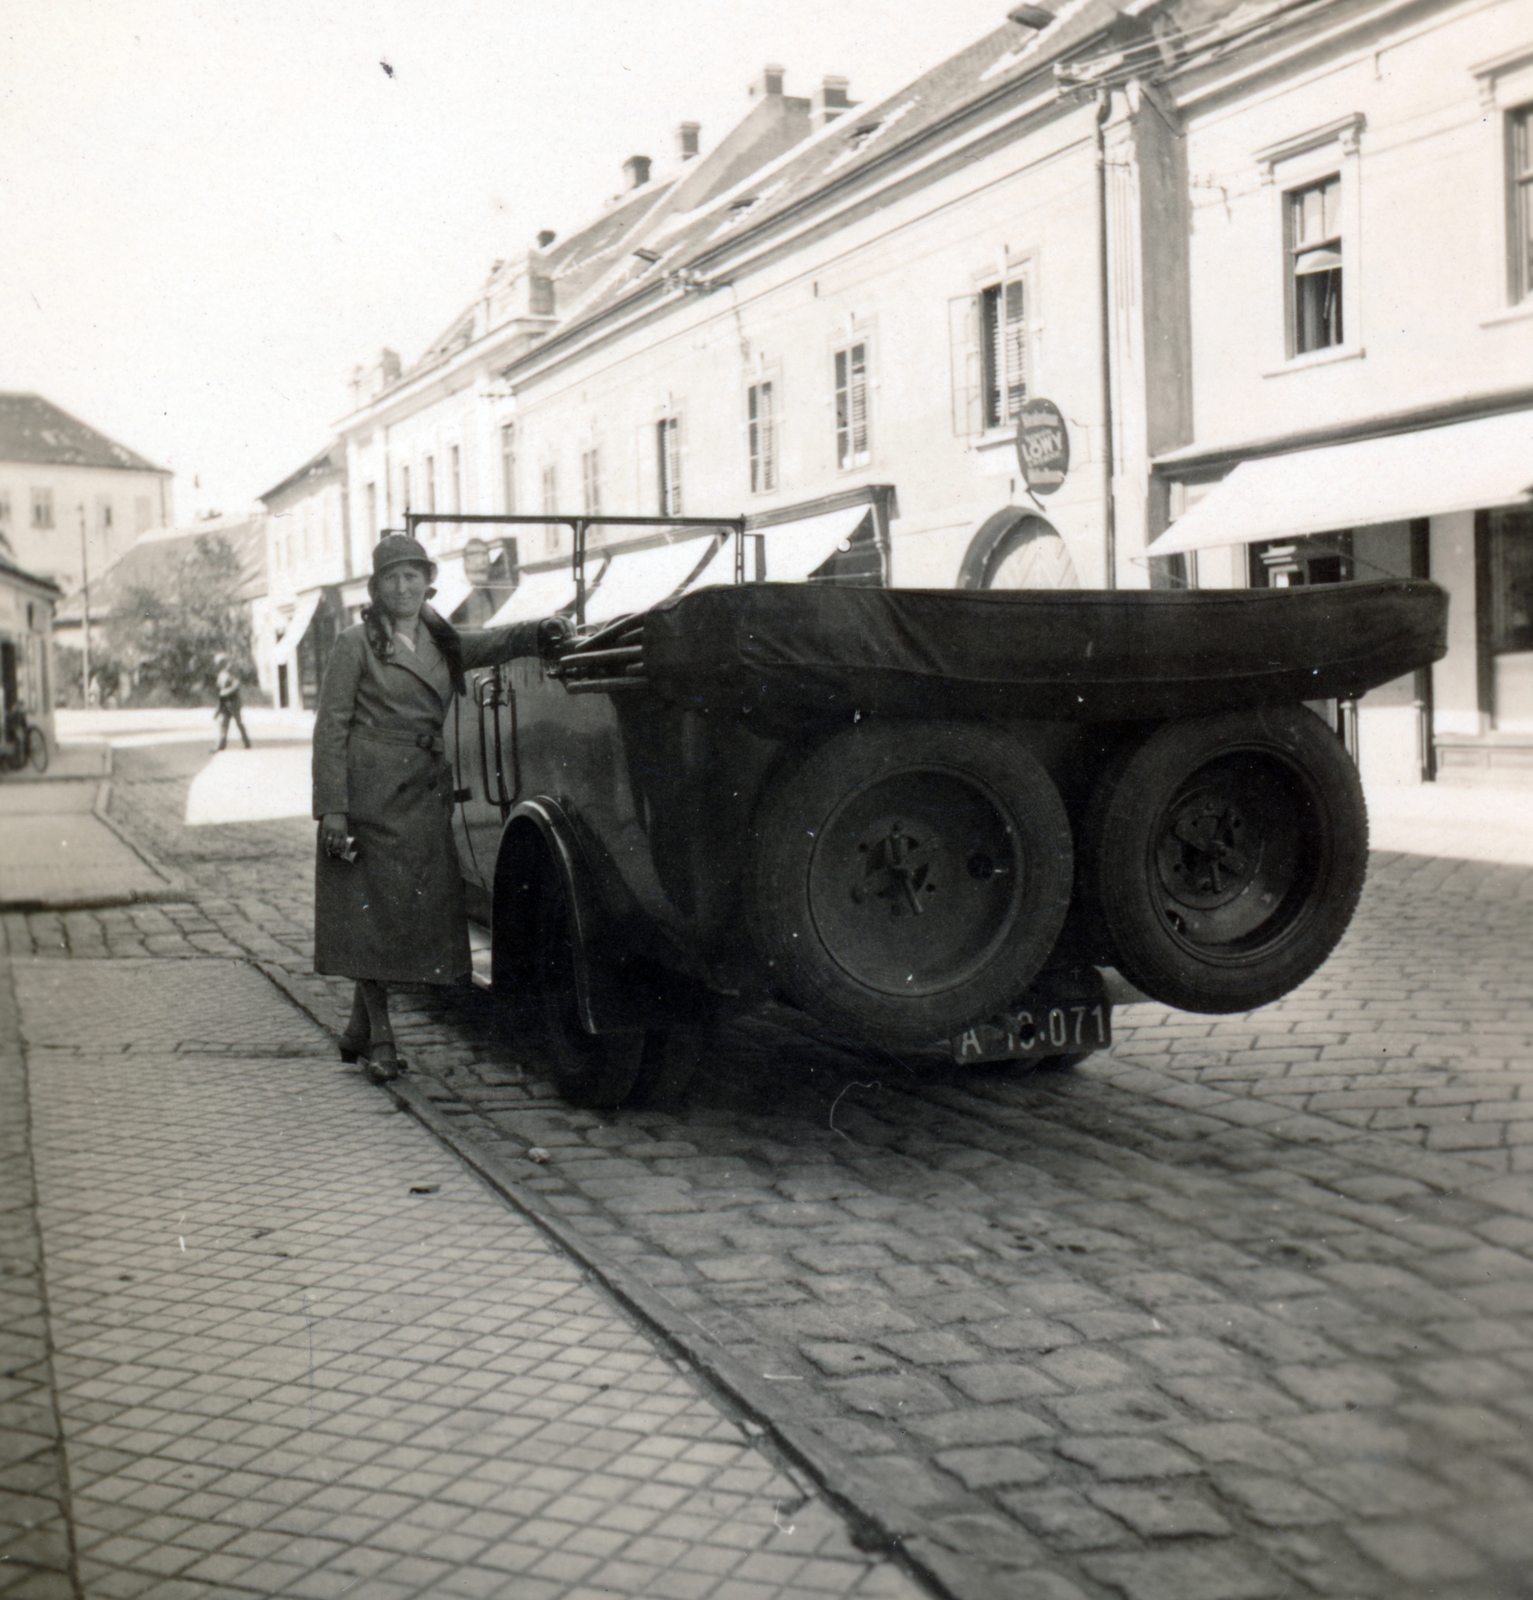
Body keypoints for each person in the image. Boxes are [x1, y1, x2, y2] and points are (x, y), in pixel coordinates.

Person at [312, 534, 570, 1080]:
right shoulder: (355, 643)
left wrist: (539, 629)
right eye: (391, 578)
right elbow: (330, 729)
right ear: (376, 588)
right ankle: (381, 1038)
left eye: (412, 577)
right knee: (372, 910)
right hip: (369, 794)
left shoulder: (443, 644)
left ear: (429, 583)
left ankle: (359, 1029)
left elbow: (495, 643)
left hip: (423, 792)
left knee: (403, 911)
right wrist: (332, 808)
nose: (403, 587)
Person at [213, 654, 251, 751]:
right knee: (224, 724)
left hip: (233, 702)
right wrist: (218, 708)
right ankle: (221, 744)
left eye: (219, 663)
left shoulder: (230, 672)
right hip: (225, 702)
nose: (217, 665)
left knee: (238, 723)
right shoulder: (221, 675)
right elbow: (219, 691)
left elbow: (236, 685)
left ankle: (246, 742)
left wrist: (225, 692)